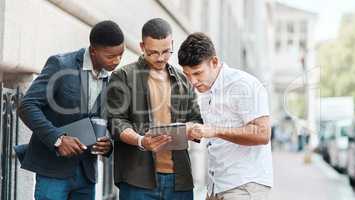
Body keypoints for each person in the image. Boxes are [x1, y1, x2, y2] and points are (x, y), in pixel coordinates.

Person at [18, 20, 125, 200]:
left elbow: (108, 120)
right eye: (110, 56)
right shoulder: (60, 65)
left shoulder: (114, 79)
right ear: (93, 51)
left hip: (87, 174)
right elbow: (27, 106)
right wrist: (58, 139)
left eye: (120, 55)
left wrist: (108, 146)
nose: (117, 61)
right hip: (53, 169)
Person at [107, 18, 202, 200]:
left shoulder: (183, 80)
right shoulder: (124, 76)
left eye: (166, 51)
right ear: (142, 46)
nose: (160, 58)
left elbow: (196, 119)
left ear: (172, 43)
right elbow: (115, 121)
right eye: (153, 52)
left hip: (179, 181)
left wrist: (189, 130)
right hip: (137, 181)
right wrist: (142, 141)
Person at [178, 32, 273, 200]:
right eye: (187, 74)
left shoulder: (244, 85)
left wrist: (213, 131)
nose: (192, 81)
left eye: (197, 73)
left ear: (214, 62)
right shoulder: (206, 90)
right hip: (217, 186)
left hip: (244, 186)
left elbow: (262, 133)